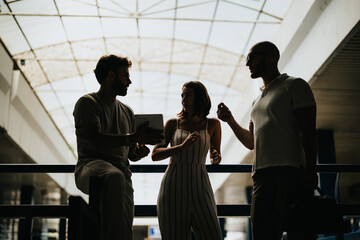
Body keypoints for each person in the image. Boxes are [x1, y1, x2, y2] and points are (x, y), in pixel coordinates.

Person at [217, 41, 318, 240]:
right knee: (263, 235)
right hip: (261, 177)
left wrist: (311, 170)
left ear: (270, 57)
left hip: (290, 173)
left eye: (251, 58)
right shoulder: (257, 100)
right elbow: (251, 142)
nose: (248, 64)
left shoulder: (294, 85)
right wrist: (229, 120)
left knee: (300, 234)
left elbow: (309, 132)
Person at [73, 54, 163, 240]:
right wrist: (131, 138)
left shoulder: (127, 111)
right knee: (113, 176)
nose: (129, 81)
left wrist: (137, 152)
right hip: (90, 166)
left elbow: (129, 153)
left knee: (123, 227)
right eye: (125, 76)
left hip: (123, 176)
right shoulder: (88, 103)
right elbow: (95, 139)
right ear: (111, 75)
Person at [152, 81, 223, 240]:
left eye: (188, 95)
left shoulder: (212, 124)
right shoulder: (172, 123)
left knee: (213, 234)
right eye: (182, 95)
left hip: (200, 184)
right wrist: (182, 147)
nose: (183, 99)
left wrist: (216, 157)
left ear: (199, 98)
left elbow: (214, 155)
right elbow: (155, 154)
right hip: (173, 186)